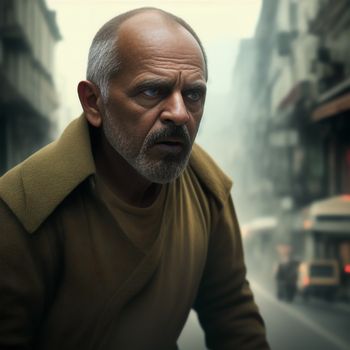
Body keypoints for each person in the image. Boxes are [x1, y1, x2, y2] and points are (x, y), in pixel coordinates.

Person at [0, 7, 270, 350]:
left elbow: (234, 315)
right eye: (152, 92)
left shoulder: (208, 190)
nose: (179, 113)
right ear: (93, 102)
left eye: (193, 94)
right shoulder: (25, 206)